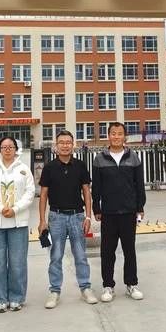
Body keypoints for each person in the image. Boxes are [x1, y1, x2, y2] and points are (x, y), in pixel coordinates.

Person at [38, 130, 98, 309]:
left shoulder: (80, 166)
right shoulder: (49, 168)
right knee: (55, 256)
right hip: (56, 217)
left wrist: (88, 216)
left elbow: (86, 191)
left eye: (68, 142)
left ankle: (85, 288)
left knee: (80, 255)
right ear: (56, 146)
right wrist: (42, 221)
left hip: (77, 216)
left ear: (73, 145)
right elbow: (43, 195)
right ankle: (54, 291)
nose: (65, 145)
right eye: (61, 142)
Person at [0, 136, 35, 312]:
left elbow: (30, 192)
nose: (8, 149)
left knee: (18, 261)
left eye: (11, 146)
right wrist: (0, 208)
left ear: (16, 149)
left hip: (18, 222)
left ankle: (17, 297)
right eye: (4, 147)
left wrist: (15, 209)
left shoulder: (24, 170)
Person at [92, 122, 146, 303]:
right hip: (108, 213)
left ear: (125, 137)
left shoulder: (133, 157)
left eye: (119, 133)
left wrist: (140, 207)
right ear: (108, 136)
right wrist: (97, 208)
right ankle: (108, 286)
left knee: (129, 250)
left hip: (129, 212)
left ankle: (131, 284)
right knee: (107, 251)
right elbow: (96, 187)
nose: (116, 136)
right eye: (113, 133)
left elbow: (139, 184)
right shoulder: (100, 159)